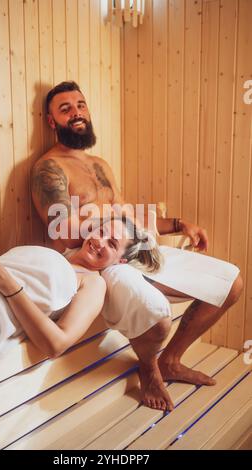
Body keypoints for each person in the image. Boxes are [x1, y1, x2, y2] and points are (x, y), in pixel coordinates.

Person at [31, 80, 243, 412]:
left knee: (231, 282)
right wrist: (112, 215)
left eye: (80, 105)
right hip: (99, 260)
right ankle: (149, 366)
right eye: (65, 108)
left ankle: (170, 360)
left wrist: (178, 225)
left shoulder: (99, 164)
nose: (76, 113)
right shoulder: (50, 168)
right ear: (51, 121)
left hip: (130, 249)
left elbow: (129, 220)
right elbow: (61, 230)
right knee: (157, 315)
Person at [0, 216, 159, 369]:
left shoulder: (94, 284)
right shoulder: (58, 254)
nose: (99, 241)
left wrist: (9, 285)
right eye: (101, 232)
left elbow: (57, 344)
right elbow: (15, 272)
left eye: (112, 244)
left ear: (120, 261)